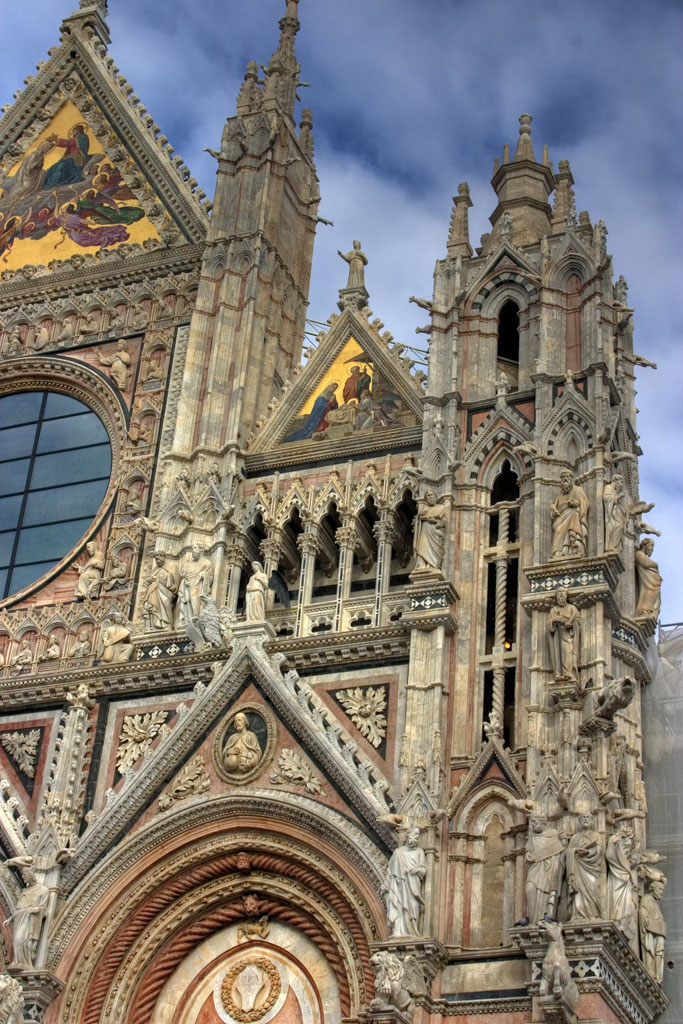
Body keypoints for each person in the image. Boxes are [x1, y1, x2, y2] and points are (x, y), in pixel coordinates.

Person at [523, 813, 566, 924]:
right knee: (530, 888)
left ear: (543, 822)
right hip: (535, 867)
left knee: (547, 892)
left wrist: (563, 839)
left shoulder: (554, 834)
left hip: (549, 868)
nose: (533, 826)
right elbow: (528, 852)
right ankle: (533, 920)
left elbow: (562, 849)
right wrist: (528, 856)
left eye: (535, 822)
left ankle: (545, 917)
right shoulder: (532, 839)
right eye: (531, 823)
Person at [3, 866, 49, 968]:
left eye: (24, 874)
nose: (23, 877)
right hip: (20, 918)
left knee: (21, 940)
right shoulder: (25, 891)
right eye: (22, 874)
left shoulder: (43, 890)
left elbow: (44, 909)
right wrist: (10, 919)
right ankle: (18, 962)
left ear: (31, 874)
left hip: (30, 920)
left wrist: (37, 910)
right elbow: (19, 908)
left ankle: (25, 962)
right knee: (16, 941)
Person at [384, 827, 426, 937]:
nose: (416, 837)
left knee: (413, 906)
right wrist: (386, 885)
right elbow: (390, 870)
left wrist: (416, 870)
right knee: (398, 904)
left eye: (418, 835)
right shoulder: (398, 853)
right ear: (408, 836)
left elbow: (423, 869)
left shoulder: (419, 852)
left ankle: (412, 931)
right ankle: (398, 931)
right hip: (398, 884)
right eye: (414, 834)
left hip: (413, 885)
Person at [566, 812, 606, 920]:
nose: (585, 819)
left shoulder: (596, 836)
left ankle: (593, 914)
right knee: (578, 891)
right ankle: (578, 915)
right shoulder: (575, 837)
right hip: (578, 868)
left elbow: (601, 851)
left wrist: (589, 852)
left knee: (592, 889)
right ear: (579, 821)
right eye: (583, 818)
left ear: (592, 820)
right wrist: (575, 851)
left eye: (588, 818)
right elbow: (568, 852)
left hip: (592, 868)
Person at [606, 826, 639, 953]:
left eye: (628, 848)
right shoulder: (615, 841)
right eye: (626, 848)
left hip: (624, 879)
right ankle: (617, 921)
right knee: (618, 901)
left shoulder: (624, 846)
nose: (627, 850)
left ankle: (622, 924)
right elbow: (610, 855)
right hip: (618, 876)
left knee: (627, 906)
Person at [550, 470, 589, 560]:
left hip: (573, 515)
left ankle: (573, 549)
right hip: (560, 519)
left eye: (567, 477)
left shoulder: (578, 490)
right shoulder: (559, 495)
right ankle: (558, 553)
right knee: (556, 528)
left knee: (574, 516)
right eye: (563, 478)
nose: (565, 480)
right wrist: (553, 513)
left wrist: (578, 502)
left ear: (571, 479)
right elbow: (554, 509)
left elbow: (586, 502)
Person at [42, 123, 91, 189]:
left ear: (79, 131)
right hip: (69, 158)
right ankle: (48, 184)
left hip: (77, 158)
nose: (72, 133)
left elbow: (68, 143)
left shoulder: (82, 137)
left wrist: (56, 140)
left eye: (74, 131)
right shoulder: (75, 139)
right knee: (53, 167)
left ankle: (54, 184)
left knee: (61, 166)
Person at [547, 588, 580, 681]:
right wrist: (554, 620)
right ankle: (559, 674)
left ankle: (568, 674)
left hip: (568, 635)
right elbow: (548, 622)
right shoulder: (554, 609)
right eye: (559, 593)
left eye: (563, 593)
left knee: (568, 652)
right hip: (557, 634)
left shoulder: (572, 608)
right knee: (558, 654)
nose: (561, 594)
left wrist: (571, 623)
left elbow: (578, 621)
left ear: (566, 595)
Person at [177, 545, 214, 625]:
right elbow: (182, 574)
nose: (193, 551)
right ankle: (188, 619)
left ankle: (197, 618)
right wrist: (182, 574)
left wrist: (203, 574)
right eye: (192, 549)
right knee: (188, 600)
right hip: (187, 585)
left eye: (196, 548)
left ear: (201, 550)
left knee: (194, 599)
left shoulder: (207, 563)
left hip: (198, 585)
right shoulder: (187, 564)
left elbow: (210, 576)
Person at [413, 490, 448, 574]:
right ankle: (422, 565)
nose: (430, 497)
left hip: (436, 533)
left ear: (435, 497)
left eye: (432, 495)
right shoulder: (424, 510)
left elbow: (445, 521)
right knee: (423, 546)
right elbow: (417, 523)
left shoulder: (442, 508)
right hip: (425, 532)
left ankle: (433, 565)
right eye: (428, 496)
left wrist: (435, 522)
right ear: (425, 499)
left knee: (435, 551)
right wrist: (419, 516)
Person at [639, 879, 667, 983]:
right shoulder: (646, 899)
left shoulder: (656, 904)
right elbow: (643, 914)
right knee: (650, 949)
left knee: (659, 952)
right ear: (653, 889)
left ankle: (657, 976)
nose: (661, 892)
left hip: (658, 934)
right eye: (660, 889)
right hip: (650, 933)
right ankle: (651, 972)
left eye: (662, 890)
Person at [142, 554, 178, 631]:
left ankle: (168, 624)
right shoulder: (156, 569)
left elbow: (176, 582)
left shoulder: (172, 567)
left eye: (159, 559)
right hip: (154, 591)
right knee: (153, 607)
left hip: (166, 592)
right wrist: (150, 580)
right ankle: (156, 625)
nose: (158, 561)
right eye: (156, 560)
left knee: (166, 603)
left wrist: (170, 582)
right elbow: (148, 581)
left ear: (163, 557)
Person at [635, 538, 662, 618]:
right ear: (645, 545)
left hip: (652, 582)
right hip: (648, 582)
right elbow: (646, 563)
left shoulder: (643, 556)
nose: (652, 549)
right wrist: (656, 565)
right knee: (648, 593)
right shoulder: (639, 554)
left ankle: (650, 612)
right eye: (651, 545)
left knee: (656, 599)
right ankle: (643, 609)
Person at [603, 473, 627, 552]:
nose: (620, 485)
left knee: (620, 526)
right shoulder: (608, 487)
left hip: (615, 514)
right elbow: (606, 498)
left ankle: (612, 545)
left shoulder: (614, 491)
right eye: (620, 482)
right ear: (615, 480)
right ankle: (610, 546)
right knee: (618, 526)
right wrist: (618, 497)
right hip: (610, 515)